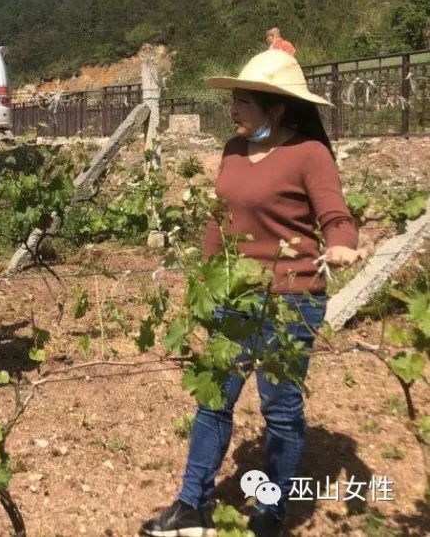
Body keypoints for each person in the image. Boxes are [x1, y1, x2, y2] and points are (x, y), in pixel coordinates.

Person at [140, 50, 359, 537]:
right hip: (233, 295)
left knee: (279, 409)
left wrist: (342, 246)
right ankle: (190, 505)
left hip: (291, 298)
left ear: (276, 109)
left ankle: (271, 513)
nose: (233, 109)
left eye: (243, 101)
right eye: (233, 100)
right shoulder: (232, 150)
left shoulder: (309, 154)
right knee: (214, 398)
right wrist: (204, 277)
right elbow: (218, 221)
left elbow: (336, 217)